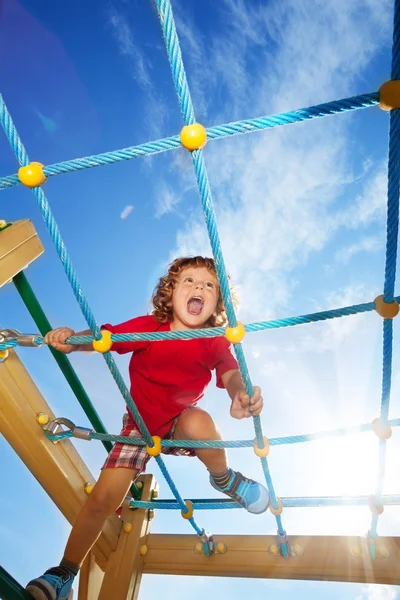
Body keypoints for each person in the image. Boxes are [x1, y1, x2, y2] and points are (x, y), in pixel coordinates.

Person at [26, 256, 269, 600]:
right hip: (139, 425)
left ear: (217, 304)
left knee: (200, 422)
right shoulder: (149, 327)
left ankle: (225, 479)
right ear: (171, 294)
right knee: (102, 500)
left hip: (178, 422)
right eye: (190, 280)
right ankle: (64, 573)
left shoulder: (213, 340)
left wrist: (241, 393)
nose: (199, 287)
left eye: (210, 285)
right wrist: (73, 341)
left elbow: (230, 372)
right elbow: (104, 338)